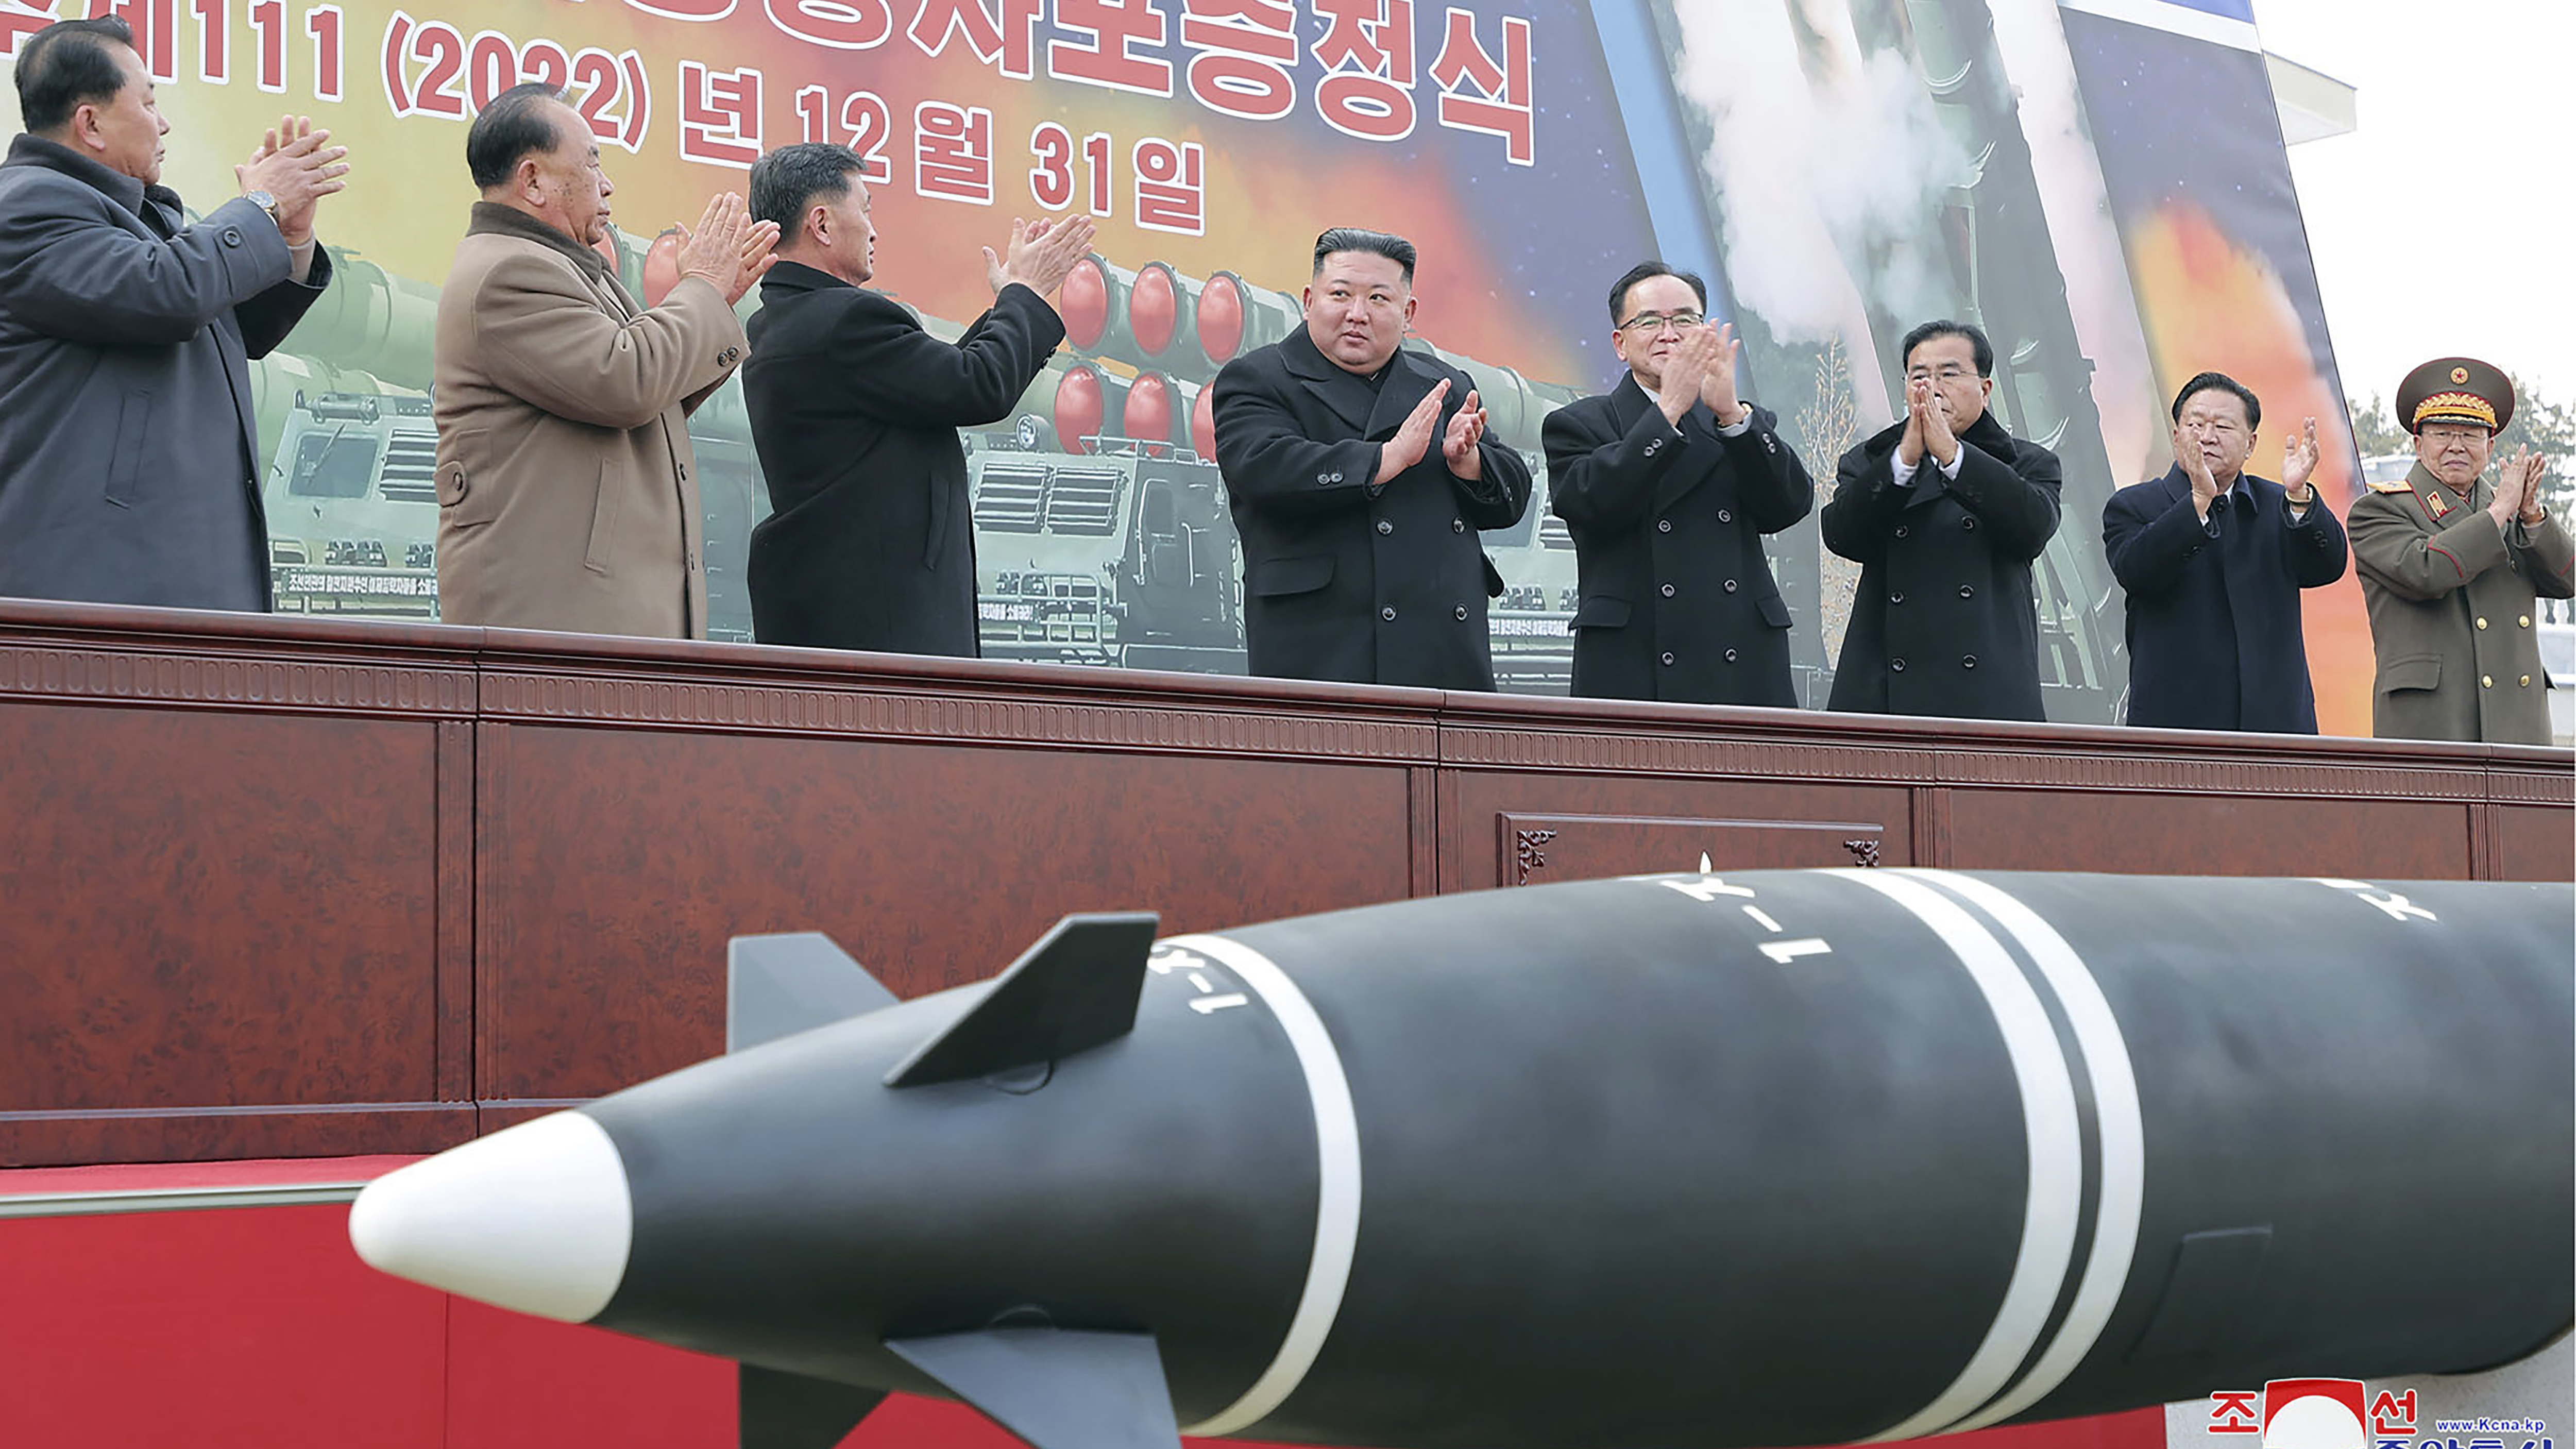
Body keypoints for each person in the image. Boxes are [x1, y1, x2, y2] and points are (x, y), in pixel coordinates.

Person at [0, 16, 346, 612]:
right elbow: (167, 294)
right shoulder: (28, 204)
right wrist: (260, 204)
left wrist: (289, 234)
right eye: (149, 103)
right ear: (90, 123)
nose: (163, 123)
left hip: (175, 577)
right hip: (95, 585)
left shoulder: (141, 217)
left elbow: (236, 326)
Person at [432, 82, 774, 639]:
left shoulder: (569, 268)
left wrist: (713, 300)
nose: (606, 183)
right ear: (533, 181)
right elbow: (627, 382)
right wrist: (702, 289)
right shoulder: (509, 273)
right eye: (591, 163)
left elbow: (650, 397)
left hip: (597, 623)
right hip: (553, 626)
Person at [740, 142, 1092, 655]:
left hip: (841, 624)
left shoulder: (785, 322)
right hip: (883, 636)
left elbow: (940, 381)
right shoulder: (846, 322)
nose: (874, 230)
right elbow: (977, 386)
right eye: (865, 209)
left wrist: (1012, 300)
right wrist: (1028, 293)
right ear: (821, 224)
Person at [1209, 228, 1532, 689]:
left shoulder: (1443, 384)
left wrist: (1470, 463)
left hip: (1444, 657)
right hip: (1324, 655)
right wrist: (1386, 458)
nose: (1357, 314)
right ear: (1309, 301)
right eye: (1340, 294)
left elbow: (1512, 496)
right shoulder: (1259, 378)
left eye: (1379, 299)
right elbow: (1263, 468)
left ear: (1408, 313)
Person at [1541, 262, 1813, 705]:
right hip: (1634, 662)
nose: (1669, 334)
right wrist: (1666, 413)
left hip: (1741, 663)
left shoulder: (1739, 421)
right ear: (1620, 344)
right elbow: (1593, 504)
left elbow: (1790, 505)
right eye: (1650, 322)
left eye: (1685, 320)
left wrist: (1731, 415)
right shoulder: (1579, 423)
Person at [1821, 319, 2062, 720]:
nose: (1932, 388)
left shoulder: (2027, 462)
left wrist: (1953, 457)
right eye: (1919, 376)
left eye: (1949, 375)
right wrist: (1905, 460)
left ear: (1985, 389)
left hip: (1985, 694)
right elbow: (1842, 535)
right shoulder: (1871, 461)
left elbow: (2032, 527)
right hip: (1885, 693)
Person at [2101, 372, 2346, 732]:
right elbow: (2137, 572)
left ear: (2251, 444)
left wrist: (2299, 497)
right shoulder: (2134, 505)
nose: (2207, 436)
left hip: (2277, 727)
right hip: (2176, 728)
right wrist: (2198, 502)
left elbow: (2328, 567)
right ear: (2176, 436)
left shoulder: (2277, 504)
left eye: (2223, 426)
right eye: (2195, 424)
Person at [2348, 357, 2572, 745]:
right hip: (2431, 722)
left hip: (2517, 723)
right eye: (2442, 434)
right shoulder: (2379, 510)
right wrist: (2499, 512)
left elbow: (2568, 580)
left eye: (2470, 435)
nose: (2457, 446)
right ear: (2418, 444)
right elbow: (2427, 571)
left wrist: (2533, 514)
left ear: (2490, 446)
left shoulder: (2514, 511)